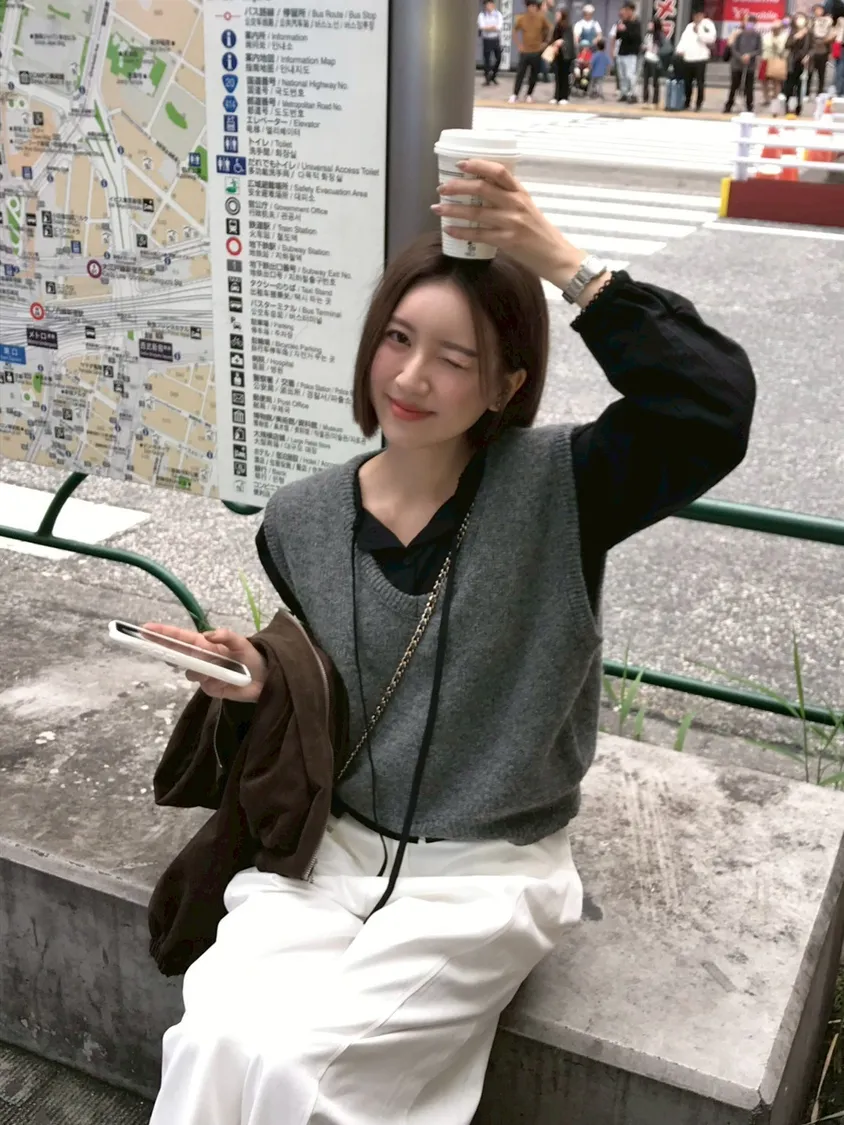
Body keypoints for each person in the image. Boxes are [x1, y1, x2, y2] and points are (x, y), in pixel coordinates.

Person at [146, 157, 756, 1125]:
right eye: (397, 339)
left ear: (509, 382)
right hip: (334, 850)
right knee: (215, 1039)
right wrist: (264, 677)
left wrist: (557, 260)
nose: (411, 377)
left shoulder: (567, 487)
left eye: (455, 358)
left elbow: (710, 408)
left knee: (310, 1072)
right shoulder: (300, 519)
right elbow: (341, 682)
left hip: (489, 870)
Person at [675, 9, 718, 111]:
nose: (696, 18)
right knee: (687, 82)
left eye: (698, 15)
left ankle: (699, 103)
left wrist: (698, 31)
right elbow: (683, 40)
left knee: (700, 82)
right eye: (695, 16)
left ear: (702, 15)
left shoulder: (707, 24)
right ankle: (687, 101)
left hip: (700, 58)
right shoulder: (689, 26)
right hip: (688, 58)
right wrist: (679, 50)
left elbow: (711, 39)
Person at [509, 0, 550, 102]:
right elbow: (514, 31)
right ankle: (515, 94)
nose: (532, 9)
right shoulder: (522, 18)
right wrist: (519, 45)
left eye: (534, 6)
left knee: (534, 74)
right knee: (520, 74)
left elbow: (550, 29)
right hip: (525, 51)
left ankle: (529, 94)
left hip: (536, 50)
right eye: (531, 6)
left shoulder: (541, 18)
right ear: (527, 7)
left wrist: (545, 43)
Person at [723, 14, 763, 113]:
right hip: (737, 64)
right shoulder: (738, 34)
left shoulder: (757, 35)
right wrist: (740, 57)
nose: (749, 24)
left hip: (750, 65)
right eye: (748, 22)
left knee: (749, 87)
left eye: (752, 23)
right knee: (734, 85)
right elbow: (733, 48)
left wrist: (749, 55)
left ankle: (749, 106)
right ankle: (729, 105)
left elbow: (759, 50)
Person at [614, 2, 643, 102]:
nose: (625, 12)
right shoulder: (623, 22)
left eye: (627, 10)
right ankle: (624, 93)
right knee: (622, 75)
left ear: (631, 11)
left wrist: (625, 30)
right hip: (621, 51)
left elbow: (637, 38)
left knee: (630, 75)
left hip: (631, 53)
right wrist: (619, 29)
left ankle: (633, 94)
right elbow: (618, 37)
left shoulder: (636, 23)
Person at [784, 14, 812, 113]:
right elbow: (787, 45)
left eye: (802, 18)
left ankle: (799, 106)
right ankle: (787, 105)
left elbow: (812, 47)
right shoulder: (793, 32)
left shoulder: (809, 33)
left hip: (803, 62)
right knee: (789, 85)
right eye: (798, 19)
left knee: (800, 85)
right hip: (792, 62)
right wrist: (796, 37)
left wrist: (808, 56)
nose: (800, 20)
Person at [550, 8, 577, 104]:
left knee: (565, 76)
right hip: (558, 54)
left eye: (558, 15)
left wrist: (561, 42)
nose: (556, 16)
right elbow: (553, 38)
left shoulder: (568, 26)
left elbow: (568, 41)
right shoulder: (556, 26)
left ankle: (564, 97)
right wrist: (554, 43)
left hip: (566, 55)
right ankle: (557, 96)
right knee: (557, 76)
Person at [762, 18, 790, 105]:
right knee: (764, 81)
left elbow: (784, 50)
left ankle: (775, 98)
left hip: (777, 60)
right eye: (773, 28)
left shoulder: (784, 37)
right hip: (766, 59)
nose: (775, 29)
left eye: (777, 28)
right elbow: (763, 48)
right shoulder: (766, 36)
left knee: (776, 81)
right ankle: (766, 99)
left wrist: (776, 43)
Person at [808, 3, 835, 93]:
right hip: (813, 50)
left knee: (821, 72)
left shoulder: (828, 21)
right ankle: (807, 91)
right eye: (817, 10)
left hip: (823, 50)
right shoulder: (812, 21)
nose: (819, 11)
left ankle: (820, 91)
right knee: (810, 72)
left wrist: (830, 52)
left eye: (820, 9)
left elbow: (832, 35)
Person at [478, 0, 504, 86]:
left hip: (495, 39)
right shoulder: (482, 15)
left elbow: (499, 27)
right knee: (487, 60)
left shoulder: (498, 14)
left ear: (492, 5)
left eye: (489, 4)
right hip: (487, 39)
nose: (487, 6)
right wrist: (492, 27)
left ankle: (493, 75)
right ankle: (487, 78)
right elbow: (482, 27)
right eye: (486, 5)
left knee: (498, 58)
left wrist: (488, 28)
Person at [641, 17, 664, 106]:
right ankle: (645, 99)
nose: (649, 25)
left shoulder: (659, 35)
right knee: (645, 81)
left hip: (655, 60)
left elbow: (658, 48)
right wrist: (644, 47)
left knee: (655, 81)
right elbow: (645, 44)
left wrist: (650, 47)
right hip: (647, 58)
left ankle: (655, 100)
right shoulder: (648, 34)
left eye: (651, 24)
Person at [835, 14, 844, 95]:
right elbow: (836, 32)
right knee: (839, 69)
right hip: (841, 46)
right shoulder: (841, 20)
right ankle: (839, 89)